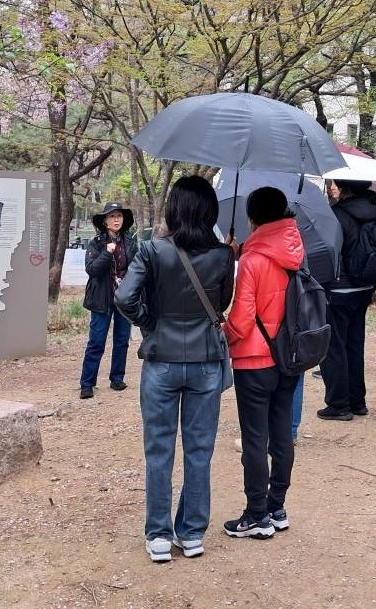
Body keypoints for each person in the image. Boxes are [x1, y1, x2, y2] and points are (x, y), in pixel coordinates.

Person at [115, 176, 235, 564]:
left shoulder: (151, 250)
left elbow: (124, 297)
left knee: (159, 450)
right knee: (200, 451)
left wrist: (149, 322)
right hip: (205, 363)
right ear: (209, 211)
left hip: (161, 361)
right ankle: (193, 533)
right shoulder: (222, 255)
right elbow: (223, 303)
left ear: (174, 208)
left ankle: (159, 536)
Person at [222, 187, 304, 539]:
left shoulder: (253, 260)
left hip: (255, 361)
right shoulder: (297, 253)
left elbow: (241, 320)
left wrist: (222, 334)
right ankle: (277, 506)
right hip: (289, 357)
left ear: (254, 218)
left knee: (255, 438)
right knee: (282, 432)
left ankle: (256, 514)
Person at [317, 179, 376, 421]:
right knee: (354, 345)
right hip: (364, 287)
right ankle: (358, 402)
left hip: (339, 289)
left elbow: (329, 251)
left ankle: (338, 404)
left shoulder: (337, 215)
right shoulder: (375, 213)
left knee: (334, 346)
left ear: (344, 188)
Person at [80, 202, 138, 399]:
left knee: (122, 340)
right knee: (96, 341)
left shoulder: (130, 243)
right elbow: (92, 270)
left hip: (123, 299)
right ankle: (87, 383)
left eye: (119, 216)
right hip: (101, 298)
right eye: (112, 216)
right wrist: (107, 252)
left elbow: (137, 270)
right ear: (104, 221)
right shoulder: (96, 243)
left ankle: (117, 378)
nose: (116, 219)